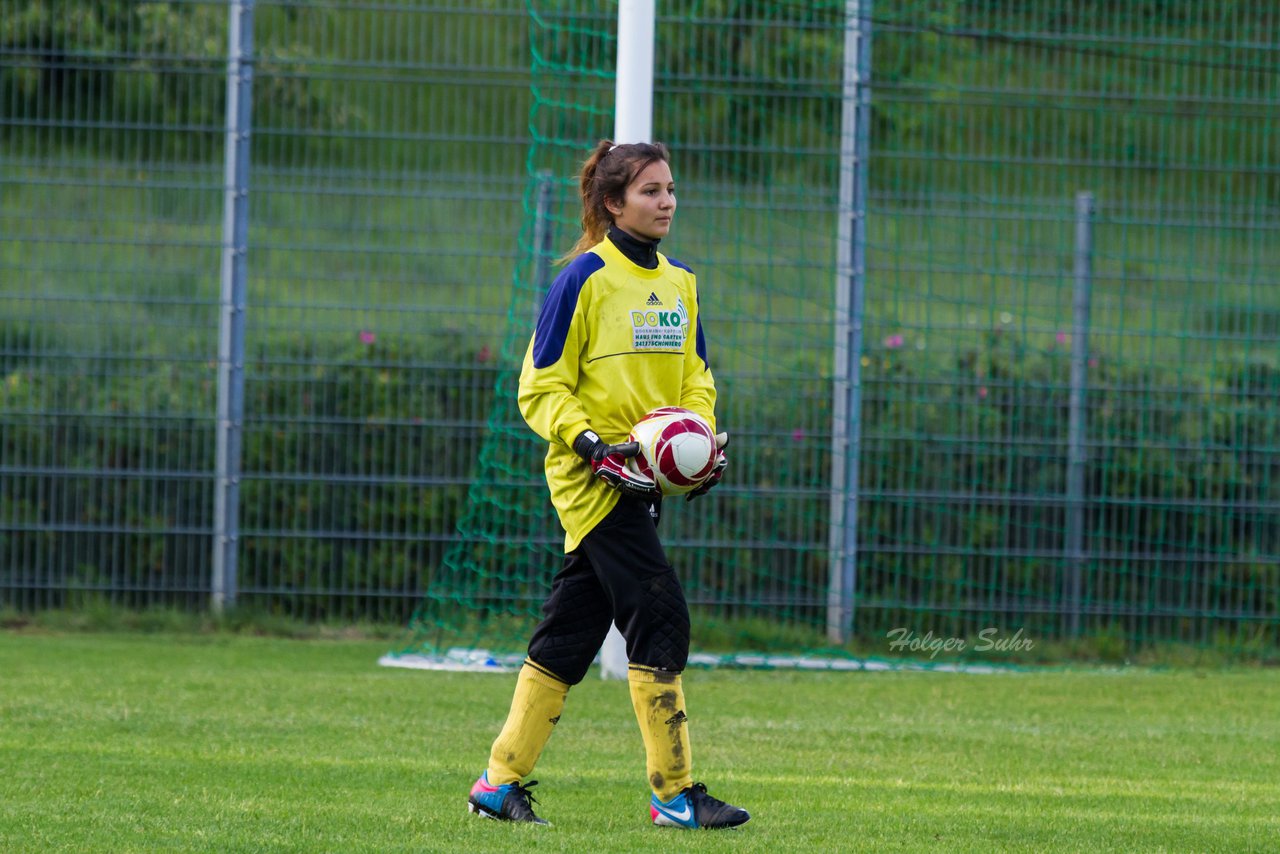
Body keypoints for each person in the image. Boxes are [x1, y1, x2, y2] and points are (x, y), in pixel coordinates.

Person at [465, 140, 750, 830]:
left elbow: (696, 380)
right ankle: (675, 795)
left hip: (645, 481)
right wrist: (592, 445)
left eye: (671, 189)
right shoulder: (584, 279)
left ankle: (497, 784)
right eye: (651, 191)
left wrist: (697, 441)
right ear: (612, 203)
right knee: (660, 612)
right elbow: (541, 387)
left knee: (570, 636)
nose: (667, 202)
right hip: (594, 480)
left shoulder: (680, 283)